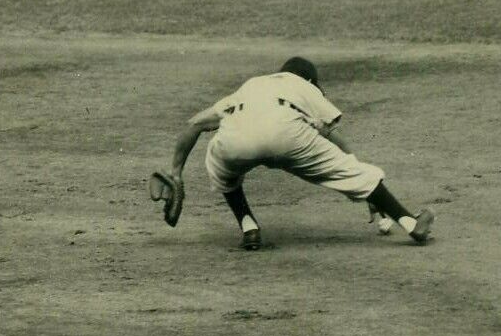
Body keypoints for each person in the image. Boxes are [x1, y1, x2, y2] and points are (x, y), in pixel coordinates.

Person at [163, 56, 434, 251]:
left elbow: (195, 124)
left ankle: (249, 228)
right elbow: (331, 133)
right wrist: (363, 183)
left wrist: (176, 173)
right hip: (287, 135)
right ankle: (410, 223)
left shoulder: (252, 85)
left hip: (237, 139)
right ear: (309, 80)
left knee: (219, 164)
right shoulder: (303, 85)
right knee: (351, 172)